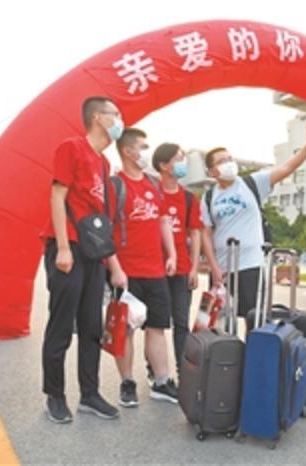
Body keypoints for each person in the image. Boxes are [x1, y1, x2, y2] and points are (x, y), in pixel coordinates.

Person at [41, 96, 127, 423]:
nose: (119, 120)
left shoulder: (104, 163)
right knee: (62, 326)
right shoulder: (72, 148)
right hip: (68, 248)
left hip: (92, 253)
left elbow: (101, 221)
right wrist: (63, 247)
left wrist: (114, 266)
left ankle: (89, 394)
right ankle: (55, 396)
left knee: (91, 326)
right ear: (97, 118)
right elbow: (57, 195)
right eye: (115, 114)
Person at [200, 127, 306, 328]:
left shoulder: (252, 183)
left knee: (254, 319)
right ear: (212, 171)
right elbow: (206, 233)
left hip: (251, 264)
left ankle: (253, 350)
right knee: (218, 322)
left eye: (230, 158)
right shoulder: (209, 197)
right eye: (222, 161)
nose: (229, 163)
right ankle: (224, 350)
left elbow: (287, 168)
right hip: (222, 268)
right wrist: (213, 267)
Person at [111, 128, 179, 407]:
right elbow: (104, 230)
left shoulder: (153, 183)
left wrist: (171, 253)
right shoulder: (115, 185)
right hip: (127, 273)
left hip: (155, 271)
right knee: (125, 330)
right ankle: (127, 382)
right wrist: (115, 268)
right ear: (128, 151)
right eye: (142, 147)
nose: (146, 152)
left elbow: (163, 220)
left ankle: (161, 382)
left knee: (157, 327)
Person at [151, 143, 203, 372]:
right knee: (155, 324)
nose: (183, 164)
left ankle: (184, 372)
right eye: (178, 159)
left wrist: (194, 268)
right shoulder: (151, 193)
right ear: (163, 165)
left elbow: (195, 233)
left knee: (181, 322)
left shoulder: (189, 198)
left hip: (181, 269)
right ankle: (155, 371)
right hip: (154, 269)